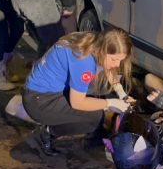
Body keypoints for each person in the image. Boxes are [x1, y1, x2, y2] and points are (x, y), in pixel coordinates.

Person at [21, 28, 134, 156]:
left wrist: (121, 93)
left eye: (120, 59)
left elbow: (109, 70)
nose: (117, 64)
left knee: (102, 87)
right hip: (39, 101)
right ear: (102, 50)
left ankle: (95, 132)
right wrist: (110, 103)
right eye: (114, 59)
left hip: (47, 90)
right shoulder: (83, 62)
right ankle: (45, 133)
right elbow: (78, 103)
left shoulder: (95, 40)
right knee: (95, 118)